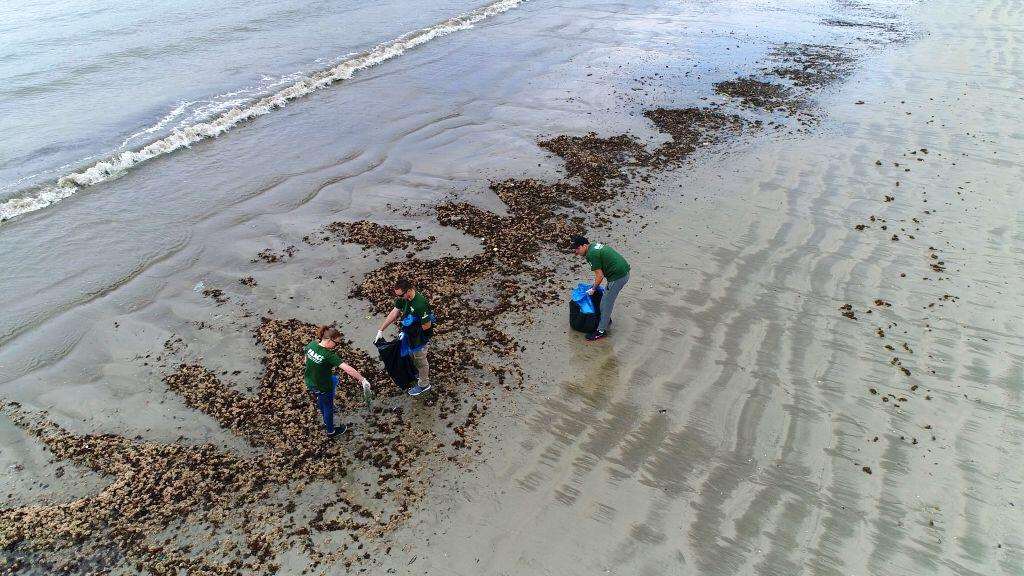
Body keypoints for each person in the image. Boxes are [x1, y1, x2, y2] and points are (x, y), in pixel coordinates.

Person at [304, 325, 372, 437]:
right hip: (323, 386)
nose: (336, 346)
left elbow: (306, 359)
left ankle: (321, 406)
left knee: (332, 382)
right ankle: (331, 431)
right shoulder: (328, 355)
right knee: (328, 408)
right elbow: (348, 369)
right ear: (329, 340)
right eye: (336, 343)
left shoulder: (312, 344)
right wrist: (362, 379)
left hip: (310, 382)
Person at [375, 276, 434, 397]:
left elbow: (427, 326)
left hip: (420, 337)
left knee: (420, 359)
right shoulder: (403, 298)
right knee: (411, 355)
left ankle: (424, 384)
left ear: (408, 291)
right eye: (397, 295)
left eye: (401, 295)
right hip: (409, 333)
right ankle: (417, 373)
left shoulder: (420, 304)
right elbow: (395, 312)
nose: (399, 298)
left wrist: (411, 329)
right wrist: (381, 330)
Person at [571, 235, 630, 341]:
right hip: (623, 272)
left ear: (584, 245)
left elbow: (600, 276)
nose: (576, 252)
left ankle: (601, 331)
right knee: (605, 300)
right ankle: (606, 321)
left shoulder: (591, 255)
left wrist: (593, 289)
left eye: (578, 248)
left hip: (618, 277)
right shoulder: (594, 247)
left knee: (606, 303)